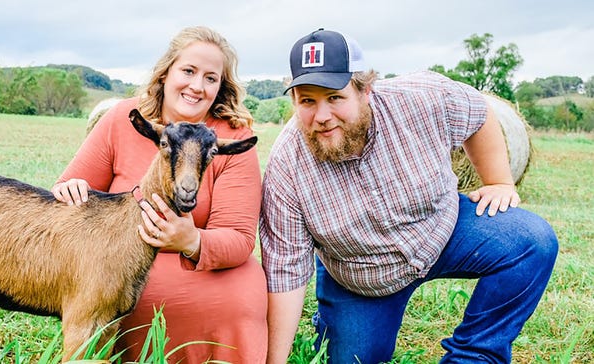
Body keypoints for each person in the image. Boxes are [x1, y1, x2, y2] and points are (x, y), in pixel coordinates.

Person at [260, 28, 559, 364]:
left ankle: (474, 355)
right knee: (349, 360)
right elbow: (285, 272)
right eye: (307, 101)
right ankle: (333, 324)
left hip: (439, 230)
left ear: (365, 89)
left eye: (334, 97)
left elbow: (479, 111)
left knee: (533, 241)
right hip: (360, 274)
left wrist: (501, 181)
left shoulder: (422, 97)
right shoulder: (286, 166)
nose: (322, 116)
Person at [51, 26, 267, 363]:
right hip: (121, 260)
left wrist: (192, 241)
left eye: (211, 78)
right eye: (189, 71)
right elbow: (70, 186)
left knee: (239, 297)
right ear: (166, 73)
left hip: (204, 264)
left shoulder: (232, 138)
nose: (197, 86)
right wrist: (69, 188)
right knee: (110, 289)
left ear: (220, 88)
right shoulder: (123, 119)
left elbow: (239, 237)